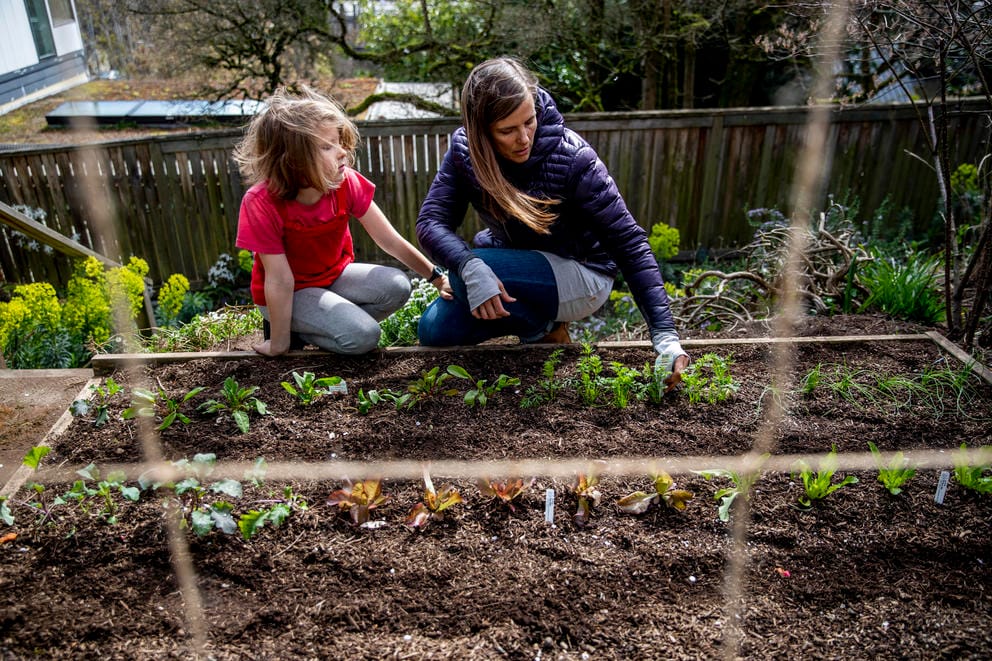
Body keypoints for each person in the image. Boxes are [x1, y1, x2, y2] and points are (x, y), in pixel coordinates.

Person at [415, 57, 689, 386]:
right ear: (482, 131)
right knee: (434, 329)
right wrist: (471, 268)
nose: (524, 138)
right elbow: (430, 221)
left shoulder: (572, 157)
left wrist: (665, 336)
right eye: (507, 130)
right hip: (519, 271)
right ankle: (541, 328)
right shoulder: (465, 152)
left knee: (464, 276)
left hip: (584, 274)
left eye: (529, 122)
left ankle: (534, 319)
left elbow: (629, 242)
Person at [234, 86, 451, 356]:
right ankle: (298, 329)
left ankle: (324, 323)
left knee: (397, 285)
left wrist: (436, 278)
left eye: (339, 142)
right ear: (293, 159)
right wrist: (279, 344)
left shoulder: (345, 182)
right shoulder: (261, 202)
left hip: (333, 278)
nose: (342, 153)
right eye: (327, 146)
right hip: (286, 295)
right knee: (365, 336)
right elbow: (279, 280)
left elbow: (389, 240)